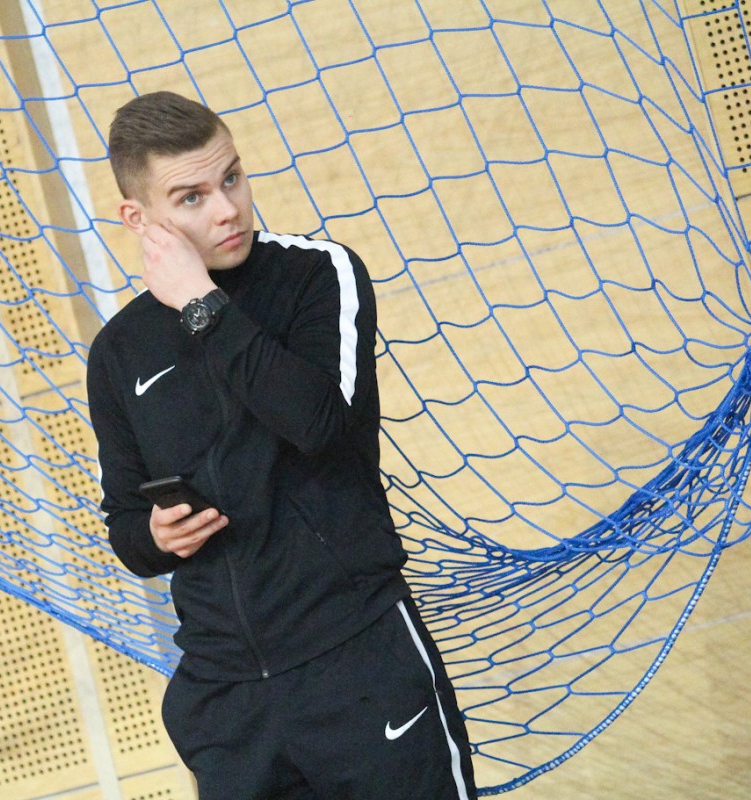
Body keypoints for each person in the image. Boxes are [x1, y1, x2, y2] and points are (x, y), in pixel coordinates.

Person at [86, 91, 476, 800]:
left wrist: (201, 304)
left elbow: (320, 423)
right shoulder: (119, 353)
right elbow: (126, 529)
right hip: (229, 703)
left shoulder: (318, 274)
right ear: (139, 219)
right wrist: (157, 534)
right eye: (192, 197)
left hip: (357, 659)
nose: (227, 208)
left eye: (232, 178)